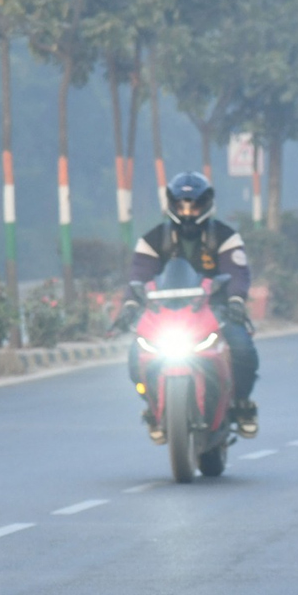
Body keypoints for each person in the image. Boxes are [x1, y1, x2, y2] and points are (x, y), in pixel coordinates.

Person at [117, 171, 259, 440]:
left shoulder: (225, 237)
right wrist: (129, 305)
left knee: (242, 346)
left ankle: (242, 404)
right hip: (164, 313)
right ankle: (152, 407)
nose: (187, 211)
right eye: (181, 204)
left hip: (214, 311)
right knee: (137, 356)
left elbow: (238, 273)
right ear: (171, 204)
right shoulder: (153, 239)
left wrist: (236, 299)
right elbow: (138, 276)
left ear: (206, 204)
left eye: (194, 204)